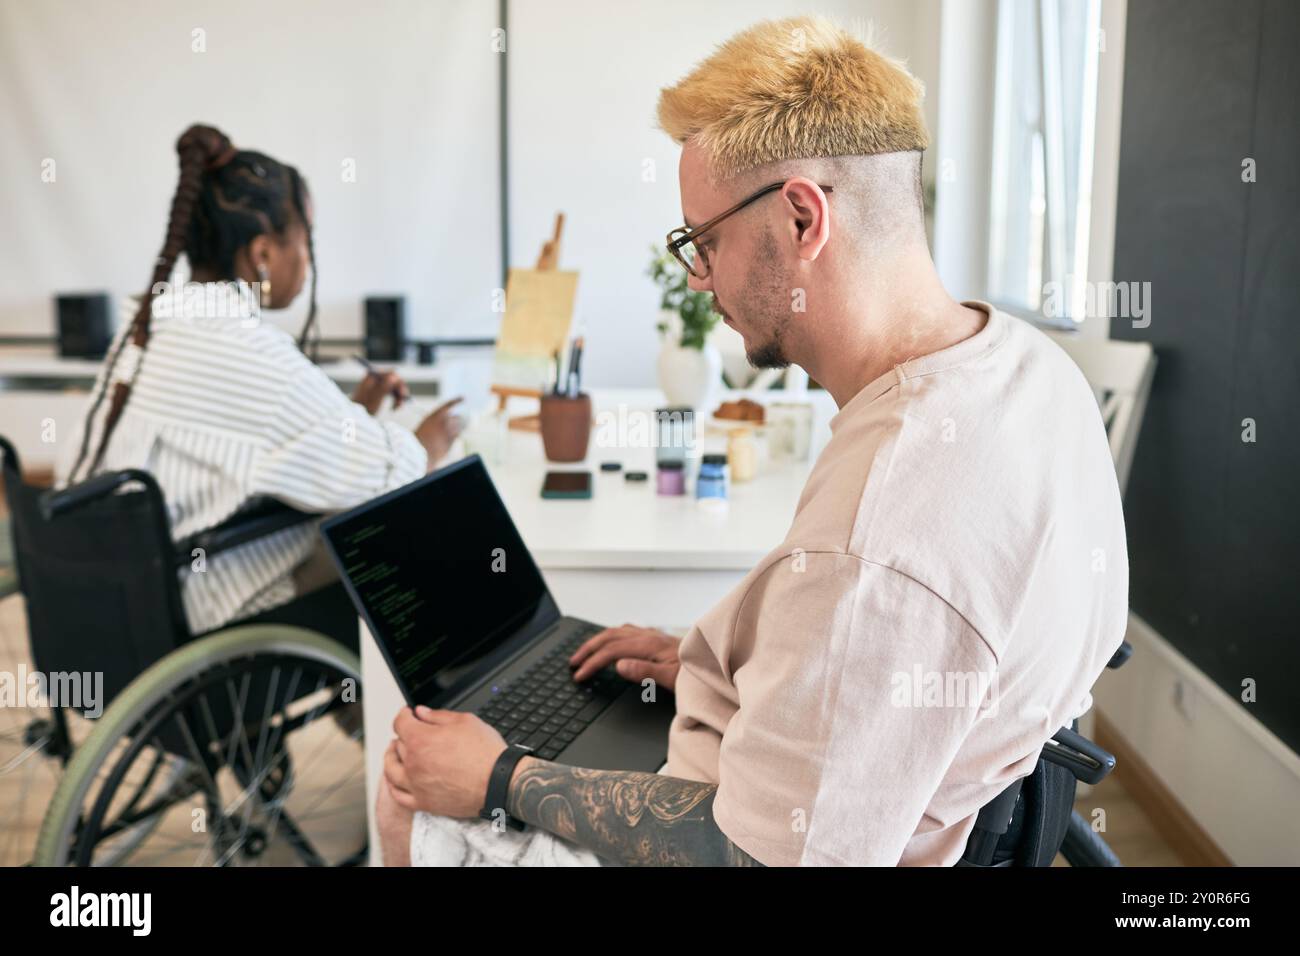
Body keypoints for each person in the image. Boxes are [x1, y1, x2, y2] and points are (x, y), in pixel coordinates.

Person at [378, 16, 1128, 866]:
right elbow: (881, 659)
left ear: (803, 218)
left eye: (704, 242)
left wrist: (504, 777)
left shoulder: (876, 540)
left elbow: (754, 854)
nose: (700, 281)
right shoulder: (1030, 367)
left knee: (408, 791)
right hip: (878, 780)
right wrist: (726, 668)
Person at [55, 124, 461, 645]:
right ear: (264, 254)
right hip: (208, 612)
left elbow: (261, 438)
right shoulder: (242, 348)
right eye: (307, 241)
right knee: (400, 545)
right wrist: (430, 442)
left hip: (117, 602)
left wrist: (356, 412)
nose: (309, 261)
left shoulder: (151, 325)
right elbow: (387, 475)